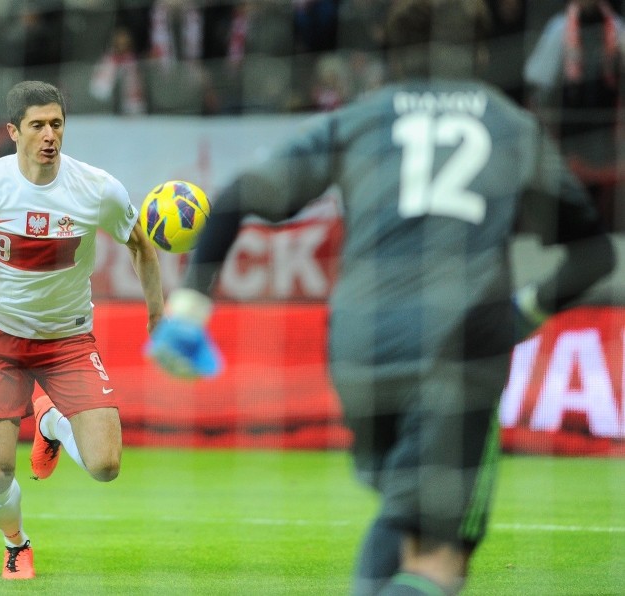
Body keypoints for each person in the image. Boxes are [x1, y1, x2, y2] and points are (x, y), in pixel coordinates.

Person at [148, 1, 616, 594]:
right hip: (459, 349)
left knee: (401, 514)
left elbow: (238, 195)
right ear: (478, 54)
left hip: (359, 349)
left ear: (389, 56)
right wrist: (521, 313)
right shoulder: (509, 126)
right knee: (439, 561)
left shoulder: (360, 119)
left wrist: (191, 308)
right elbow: (594, 252)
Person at [0, 80, 164, 580]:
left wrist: (156, 316)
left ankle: (49, 423)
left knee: (106, 466)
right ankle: (16, 543)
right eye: (38, 125)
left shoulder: (96, 188)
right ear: (13, 131)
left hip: (67, 340)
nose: (50, 135)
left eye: (57, 124)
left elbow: (142, 247)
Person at [524, 0, 625, 231]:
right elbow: (539, 82)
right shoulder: (559, 28)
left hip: (606, 136)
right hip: (567, 137)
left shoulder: (618, 28)